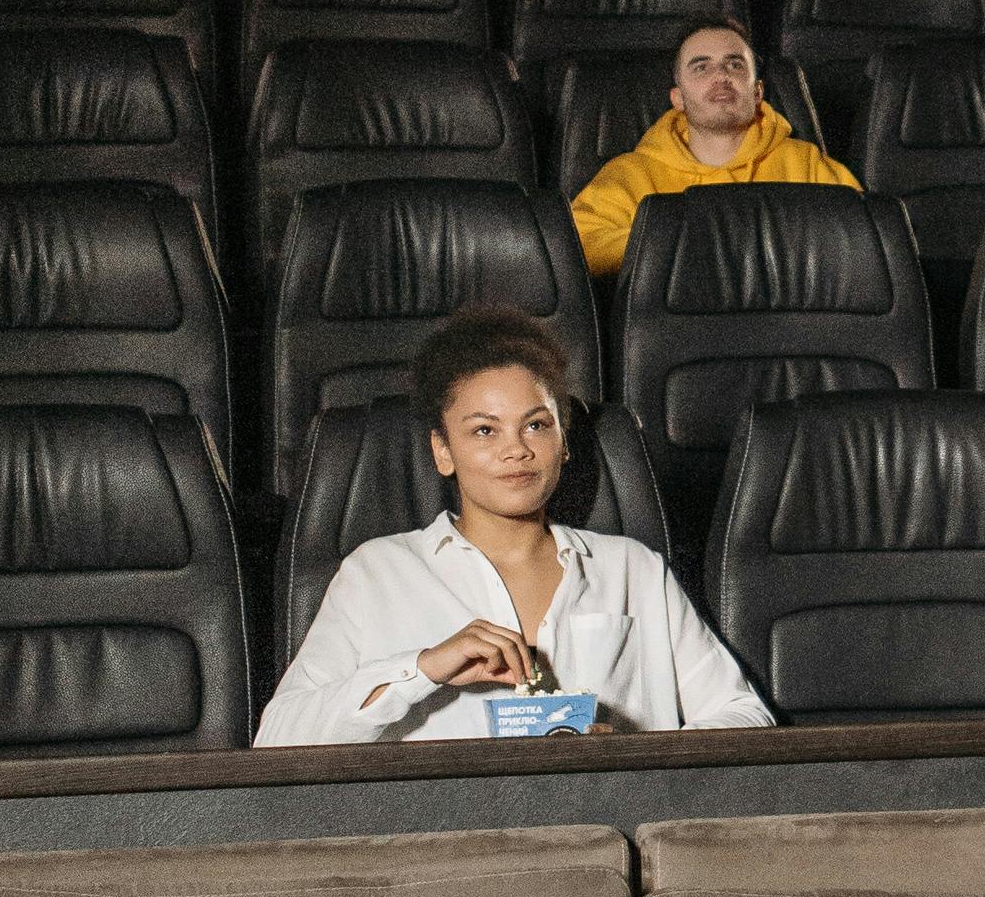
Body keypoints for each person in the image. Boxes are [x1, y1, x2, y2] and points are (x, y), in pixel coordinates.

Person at [260, 307, 773, 741]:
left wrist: (630, 757)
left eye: (536, 424)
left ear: (564, 442)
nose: (516, 450)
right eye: (484, 430)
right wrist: (424, 669)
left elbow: (746, 716)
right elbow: (278, 738)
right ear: (444, 451)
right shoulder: (377, 573)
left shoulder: (633, 569)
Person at [569, 21, 858, 276]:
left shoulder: (804, 162)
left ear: (757, 92)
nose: (721, 76)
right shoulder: (632, 172)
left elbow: (860, 235)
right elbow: (578, 241)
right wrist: (686, 246)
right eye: (701, 67)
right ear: (678, 98)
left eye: (734, 64)